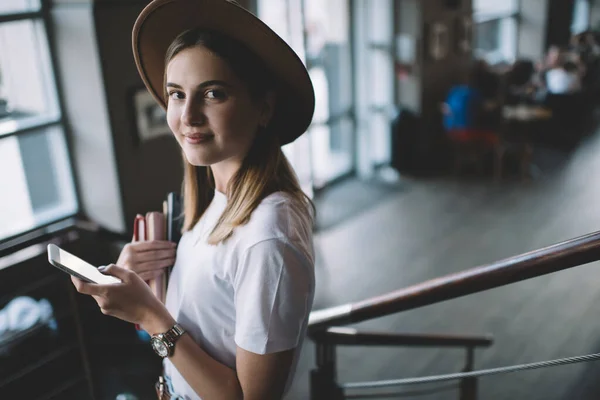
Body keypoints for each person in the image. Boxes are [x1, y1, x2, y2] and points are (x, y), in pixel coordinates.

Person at [70, 0, 316, 399]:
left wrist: (150, 315)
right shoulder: (216, 200)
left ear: (264, 107)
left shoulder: (268, 237)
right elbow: (209, 321)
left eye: (214, 93)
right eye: (177, 94)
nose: (188, 116)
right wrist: (147, 290)